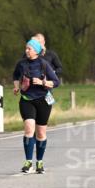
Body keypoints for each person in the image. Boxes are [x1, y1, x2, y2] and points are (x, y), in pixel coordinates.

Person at [13, 38, 60, 173]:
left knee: (40, 133)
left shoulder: (44, 64)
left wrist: (43, 82)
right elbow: (15, 75)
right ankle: (28, 162)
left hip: (43, 101)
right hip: (27, 99)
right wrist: (16, 87)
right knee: (29, 128)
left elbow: (56, 82)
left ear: (36, 51)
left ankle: (39, 162)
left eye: (29, 48)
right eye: (26, 48)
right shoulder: (21, 64)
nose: (27, 50)